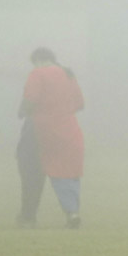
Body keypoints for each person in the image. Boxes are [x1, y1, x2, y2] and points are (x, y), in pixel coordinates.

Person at [18, 47, 85, 229]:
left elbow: (31, 99)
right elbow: (79, 103)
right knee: (66, 172)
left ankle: (28, 217)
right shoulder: (68, 74)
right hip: (68, 129)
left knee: (30, 170)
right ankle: (72, 212)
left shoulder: (38, 73)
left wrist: (22, 111)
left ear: (38, 60)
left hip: (40, 129)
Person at [15, 116, 45, 228]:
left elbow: (20, 112)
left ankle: (27, 215)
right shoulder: (46, 120)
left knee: (28, 185)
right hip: (40, 155)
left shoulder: (32, 120)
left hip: (28, 154)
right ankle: (29, 215)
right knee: (36, 186)